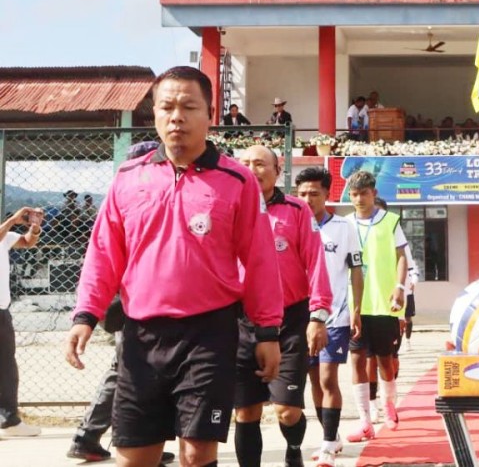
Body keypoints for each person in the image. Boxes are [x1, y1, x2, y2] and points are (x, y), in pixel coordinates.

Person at [65, 66, 283, 467]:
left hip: (209, 334)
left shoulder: (237, 181)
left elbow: (259, 259)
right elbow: (103, 253)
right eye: (166, 107)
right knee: (134, 455)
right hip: (141, 335)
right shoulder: (129, 177)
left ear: (210, 114)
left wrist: (267, 331)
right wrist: (86, 314)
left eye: (188, 106)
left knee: (197, 452)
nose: (176, 117)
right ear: (154, 114)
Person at [67, 142, 176, 465]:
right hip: (130, 305)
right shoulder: (129, 199)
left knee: (128, 370)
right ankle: (93, 436)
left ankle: (116, 438)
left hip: (135, 304)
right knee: (126, 371)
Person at [234, 146, 332, 467]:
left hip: (290, 320)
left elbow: (316, 261)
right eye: (246, 163)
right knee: (246, 411)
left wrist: (318, 314)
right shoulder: (228, 208)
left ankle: (293, 451)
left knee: (287, 412)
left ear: (277, 171)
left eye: (261, 163)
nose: (253, 169)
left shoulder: (296, 210)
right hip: (241, 320)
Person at [295, 168, 363, 467]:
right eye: (302, 194)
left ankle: (326, 444)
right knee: (313, 380)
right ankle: (331, 436)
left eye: (314, 193)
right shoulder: (293, 224)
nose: (308, 199)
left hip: (335, 315)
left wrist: (357, 309)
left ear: (327, 194)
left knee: (327, 377)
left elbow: (356, 270)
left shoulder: (344, 228)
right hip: (302, 317)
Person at [343, 171, 408, 442]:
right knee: (357, 361)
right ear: (350, 196)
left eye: (364, 193)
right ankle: (365, 420)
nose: (359, 199)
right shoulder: (345, 224)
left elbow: (402, 256)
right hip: (354, 306)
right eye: (355, 194)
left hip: (384, 303)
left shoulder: (390, 221)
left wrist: (400, 288)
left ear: (374, 193)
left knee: (385, 359)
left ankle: (388, 403)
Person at [0, 207, 43, 439]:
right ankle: (9, 419)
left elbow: (27, 243)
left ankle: (8, 419)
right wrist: (13, 220)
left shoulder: (4, 236)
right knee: (5, 366)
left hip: (1, 310)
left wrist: (34, 228)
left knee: (6, 366)